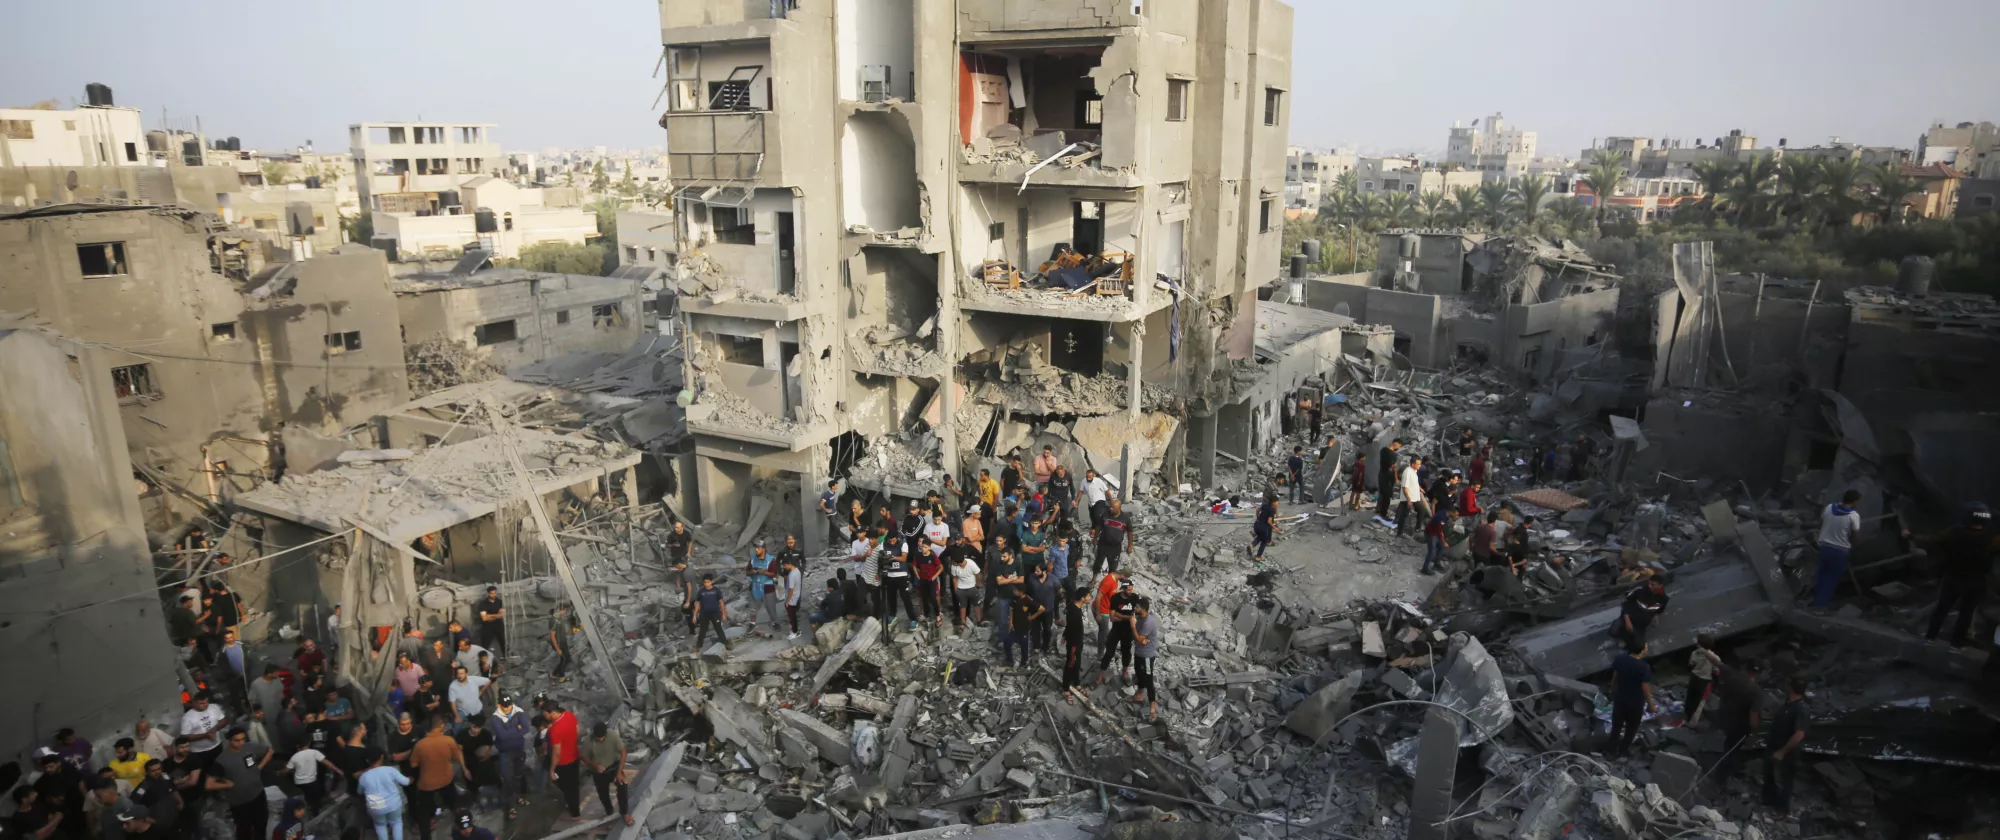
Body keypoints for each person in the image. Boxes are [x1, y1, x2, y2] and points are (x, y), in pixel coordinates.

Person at [1904, 502, 1996, 648]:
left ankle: (1929, 638)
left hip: (1955, 578)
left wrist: (1910, 536)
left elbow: (1930, 540)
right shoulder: (1993, 538)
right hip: (1977, 582)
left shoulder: (1954, 532)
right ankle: (1956, 645)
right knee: (1966, 614)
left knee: (1942, 609)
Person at [205, 728, 270, 840]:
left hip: (258, 794)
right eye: (237, 740)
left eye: (243, 739)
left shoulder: (250, 747)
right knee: (244, 830)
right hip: (240, 802)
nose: (241, 743)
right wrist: (227, 785)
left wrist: (259, 767)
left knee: (261, 823)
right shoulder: (222, 760)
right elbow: (208, 784)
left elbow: (270, 751)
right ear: (229, 740)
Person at [408, 718, 463, 840]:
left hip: (427, 783)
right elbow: (455, 756)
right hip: (446, 779)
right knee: (454, 804)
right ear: (440, 726)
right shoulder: (449, 740)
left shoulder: (420, 745)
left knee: (424, 812)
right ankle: (463, 825)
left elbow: (413, 764)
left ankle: (426, 837)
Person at [1809, 490, 1863, 612]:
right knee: (1831, 578)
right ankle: (1820, 607)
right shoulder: (1853, 516)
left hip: (1823, 547)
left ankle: (1815, 602)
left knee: (1821, 575)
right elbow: (1855, 535)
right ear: (1855, 501)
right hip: (1839, 550)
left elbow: (1820, 525)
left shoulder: (1829, 508)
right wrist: (1854, 544)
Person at [1763, 677, 1810, 817]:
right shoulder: (1788, 704)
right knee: (1769, 773)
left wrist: (1783, 752)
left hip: (1788, 752)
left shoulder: (1801, 709)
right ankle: (1769, 800)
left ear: (1791, 687)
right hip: (1774, 745)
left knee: (1785, 780)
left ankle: (1782, 810)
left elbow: (1799, 734)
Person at [1607, 639, 1656, 757]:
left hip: (1620, 699)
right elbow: (1645, 688)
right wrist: (1651, 704)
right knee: (1631, 728)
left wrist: (1612, 688)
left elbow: (1615, 675)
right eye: (1646, 645)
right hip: (1635, 702)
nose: (1647, 646)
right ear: (1641, 650)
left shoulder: (1621, 658)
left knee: (1616, 726)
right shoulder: (1644, 667)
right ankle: (1624, 750)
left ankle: (1611, 751)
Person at [578, 722, 631, 826]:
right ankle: (609, 811)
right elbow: (583, 756)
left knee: (622, 786)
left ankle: (624, 812)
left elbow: (623, 752)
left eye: (602, 738)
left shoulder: (613, 736)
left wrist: (619, 772)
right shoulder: (588, 741)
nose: (600, 740)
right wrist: (594, 765)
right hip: (598, 771)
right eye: (598, 738)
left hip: (613, 767)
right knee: (603, 793)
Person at [488, 695, 531, 820]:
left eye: (509, 706)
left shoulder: (518, 711)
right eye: (504, 706)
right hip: (505, 753)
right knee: (507, 779)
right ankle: (511, 805)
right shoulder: (495, 718)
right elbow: (502, 736)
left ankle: (518, 797)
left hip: (518, 750)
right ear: (499, 705)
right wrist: (517, 729)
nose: (507, 709)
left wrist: (512, 731)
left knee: (518, 776)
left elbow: (526, 728)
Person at [358, 751, 410, 840]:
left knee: (380, 825)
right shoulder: (390, 770)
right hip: (394, 804)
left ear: (367, 760)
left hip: (376, 806)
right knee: (396, 822)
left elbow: (360, 792)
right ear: (382, 757)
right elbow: (406, 782)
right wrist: (411, 778)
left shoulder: (364, 777)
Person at [158, 738, 204, 839]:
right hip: (176, 801)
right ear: (175, 748)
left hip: (193, 798)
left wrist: (173, 786)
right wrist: (181, 781)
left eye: (187, 746)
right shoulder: (167, 763)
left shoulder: (194, 759)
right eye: (182, 747)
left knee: (196, 823)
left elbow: (192, 782)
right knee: (180, 824)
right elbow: (165, 782)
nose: (185, 749)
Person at [1097, 579, 1138, 684]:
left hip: (1128, 631)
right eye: (1128, 590)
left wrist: (1120, 615)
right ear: (1123, 588)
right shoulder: (1115, 598)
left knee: (1126, 653)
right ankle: (1100, 676)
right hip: (1116, 630)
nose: (1130, 591)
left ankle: (1124, 672)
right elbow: (1112, 618)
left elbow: (1135, 614)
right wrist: (1127, 617)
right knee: (1109, 652)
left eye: (1131, 589)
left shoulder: (1134, 597)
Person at [284, 737, 340, 814]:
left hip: (299, 782)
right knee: (314, 796)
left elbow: (287, 770)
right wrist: (337, 769)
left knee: (307, 794)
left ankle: (307, 805)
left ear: (297, 746)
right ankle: (315, 810)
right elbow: (326, 762)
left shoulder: (294, 757)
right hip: (311, 781)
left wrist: (279, 772)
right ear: (308, 744)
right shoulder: (314, 752)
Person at [545, 700, 581, 819]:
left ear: (552, 713)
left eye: (546, 714)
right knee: (574, 784)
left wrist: (552, 769)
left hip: (564, 763)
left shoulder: (555, 730)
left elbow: (557, 753)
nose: (545, 716)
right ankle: (574, 803)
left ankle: (575, 813)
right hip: (575, 756)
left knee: (567, 787)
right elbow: (578, 731)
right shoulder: (569, 715)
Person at [456, 717, 499, 813]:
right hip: (469, 764)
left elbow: (489, 749)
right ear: (470, 725)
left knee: (489, 783)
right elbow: (459, 752)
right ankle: (476, 802)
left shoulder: (486, 734)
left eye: (479, 728)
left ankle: (491, 802)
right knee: (472, 786)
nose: (476, 730)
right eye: (474, 727)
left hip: (484, 763)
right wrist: (464, 769)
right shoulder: (462, 735)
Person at [1615, 578, 1670, 646]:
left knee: (1638, 639)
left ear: (1660, 586)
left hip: (1644, 619)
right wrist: (1626, 617)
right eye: (1649, 584)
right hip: (1632, 614)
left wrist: (1656, 616)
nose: (1649, 586)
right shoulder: (1640, 591)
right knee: (1624, 629)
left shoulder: (1663, 598)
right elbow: (1626, 602)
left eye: (1652, 585)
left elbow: (1660, 609)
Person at [1130, 597, 1160, 722]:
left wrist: (1133, 626)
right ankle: (1140, 695)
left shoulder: (1148, 622)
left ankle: (1152, 707)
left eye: (1137, 607)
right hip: (1139, 653)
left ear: (1143, 609)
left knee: (1148, 679)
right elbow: (1139, 639)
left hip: (1147, 655)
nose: (1134, 609)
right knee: (1139, 673)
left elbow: (1139, 639)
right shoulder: (1140, 618)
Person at [879, 534, 917, 629]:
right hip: (890, 574)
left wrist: (893, 557)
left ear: (897, 538)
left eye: (893, 540)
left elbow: (903, 558)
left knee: (906, 598)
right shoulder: (883, 544)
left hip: (902, 575)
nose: (892, 542)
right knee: (891, 597)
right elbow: (880, 558)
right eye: (890, 541)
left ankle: (913, 619)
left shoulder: (903, 544)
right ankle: (892, 615)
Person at [745, 541, 783, 637]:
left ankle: (774, 622)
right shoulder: (753, 559)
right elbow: (747, 571)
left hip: (767, 586)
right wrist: (752, 572)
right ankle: (752, 623)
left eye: (758, 548)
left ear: (763, 549)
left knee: (771, 606)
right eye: (755, 548)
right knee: (753, 607)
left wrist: (763, 572)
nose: (756, 550)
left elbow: (774, 574)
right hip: (754, 585)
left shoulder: (771, 560)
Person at [1685, 634, 1723, 728]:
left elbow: (1690, 665)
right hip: (1705, 682)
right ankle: (1692, 723)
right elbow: (1716, 671)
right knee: (1699, 703)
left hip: (1694, 678)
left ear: (1700, 645)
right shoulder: (1715, 658)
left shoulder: (1694, 653)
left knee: (1690, 697)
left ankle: (1687, 715)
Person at [179, 692, 228, 763]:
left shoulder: (214, 707)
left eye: (206, 702)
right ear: (194, 703)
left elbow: (223, 720)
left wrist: (214, 729)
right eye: (202, 703)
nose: (205, 705)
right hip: (199, 752)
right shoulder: (187, 717)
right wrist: (205, 735)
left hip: (217, 746)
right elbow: (184, 737)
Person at [1003, 586, 1041, 668]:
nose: (1014, 591)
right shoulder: (1014, 598)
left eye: (1016, 590)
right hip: (1015, 626)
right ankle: (1010, 660)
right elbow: (1011, 610)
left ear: (1021, 592)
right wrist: (1010, 623)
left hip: (1024, 627)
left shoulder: (1028, 600)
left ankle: (1024, 662)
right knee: (1007, 642)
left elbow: (1041, 609)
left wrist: (1032, 617)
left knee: (1024, 645)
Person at [1095, 499, 1133, 575]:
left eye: (1113, 508)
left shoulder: (1125, 518)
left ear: (1119, 508)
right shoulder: (1105, 514)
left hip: (1115, 547)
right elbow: (1098, 526)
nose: (1110, 509)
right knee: (1098, 563)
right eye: (1110, 507)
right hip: (1103, 543)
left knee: (1113, 566)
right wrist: (1095, 537)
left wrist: (1130, 546)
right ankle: (1094, 579)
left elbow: (1130, 532)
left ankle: (1109, 581)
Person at [949, 543, 984, 629]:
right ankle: (963, 623)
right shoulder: (954, 566)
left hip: (972, 587)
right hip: (961, 589)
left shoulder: (971, 564)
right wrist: (956, 589)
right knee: (962, 606)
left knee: (976, 605)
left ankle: (979, 620)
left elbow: (978, 574)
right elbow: (954, 578)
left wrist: (977, 585)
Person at [447, 666, 490, 732]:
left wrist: (481, 691)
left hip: (477, 709)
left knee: (479, 727)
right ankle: (455, 740)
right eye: (458, 674)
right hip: (463, 711)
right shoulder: (453, 687)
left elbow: (488, 681)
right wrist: (457, 715)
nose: (459, 675)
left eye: (461, 673)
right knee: (457, 728)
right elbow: (452, 703)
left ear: (466, 674)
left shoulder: (474, 679)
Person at [693, 575, 728, 651]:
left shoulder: (716, 590)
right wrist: (694, 615)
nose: (706, 584)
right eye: (705, 582)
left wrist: (724, 614)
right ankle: (698, 646)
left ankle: (725, 644)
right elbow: (698, 604)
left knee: (719, 629)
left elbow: (721, 602)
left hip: (715, 613)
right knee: (702, 631)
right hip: (704, 614)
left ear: (711, 582)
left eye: (708, 582)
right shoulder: (701, 591)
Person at [1394, 456, 1427, 537]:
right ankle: (1400, 533)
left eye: (1420, 464)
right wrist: (1408, 500)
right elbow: (1405, 487)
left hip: (1414, 497)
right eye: (1418, 464)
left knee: (1422, 510)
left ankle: (1418, 527)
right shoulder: (1407, 472)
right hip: (1408, 497)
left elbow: (1414, 482)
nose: (1420, 466)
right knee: (1404, 515)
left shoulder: (1414, 471)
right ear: (1412, 464)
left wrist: (1420, 488)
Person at [1374, 439, 1403, 523]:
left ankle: (1378, 510)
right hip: (1388, 476)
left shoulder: (1383, 450)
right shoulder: (1393, 454)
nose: (1398, 448)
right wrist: (1396, 478)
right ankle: (1383, 514)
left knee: (1382, 494)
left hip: (1381, 474)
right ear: (1396, 444)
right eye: (1399, 446)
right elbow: (1393, 467)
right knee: (1387, 497)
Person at [548, 605, 579, 684]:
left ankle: (553, 674)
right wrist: (557, 648)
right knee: (564, 660)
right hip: (559, 644)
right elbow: (552, 636)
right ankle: (562, 678)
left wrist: (577, 629)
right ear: (560, 610)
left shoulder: (559, 618)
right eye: (564, 610)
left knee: (567, 659)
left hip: (563, 642)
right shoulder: (554, 620)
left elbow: (565, 631)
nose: (565, 612)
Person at [1420, 503, 1450, 576]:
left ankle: (1436, 563)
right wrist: (1444, 541)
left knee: (1441, 547)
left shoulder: (1444, 514)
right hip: (1431, 533)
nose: (1456, 517)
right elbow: (1439, 531)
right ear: (1452, 512)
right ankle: (1425, 568)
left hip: (1435, 533)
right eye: (1456, 515)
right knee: (1432, 551)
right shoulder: (1440, 517)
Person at [475, 586, 506, 654]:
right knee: (485, 644)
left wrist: (489, 615)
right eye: (492, 593)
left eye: (495, 593)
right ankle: (483, 658)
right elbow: (484, 618)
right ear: (488, 593)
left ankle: (505, 656)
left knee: (503, 642)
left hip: (499, 625)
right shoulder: (483, 603)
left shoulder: (499, 602)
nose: (493, 595)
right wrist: (496, 615)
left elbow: (501, 615)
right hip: (488, 627)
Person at [781, 554, 805, 639]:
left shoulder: (791, 575)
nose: (784, 567)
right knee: (793, 615)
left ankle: (795, 632)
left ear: (790, 564)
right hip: (796, 596)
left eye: (785, 565)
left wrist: (787, 601)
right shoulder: (797, 571)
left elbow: (791, 590)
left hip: (792, 598)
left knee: (792, 616)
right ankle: (795, 629)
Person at [1251, 492, 1278, 561]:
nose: (1277, 503)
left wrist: (1257, 518)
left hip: (1257, 524)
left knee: (1260, 537)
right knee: (1264, 541)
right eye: (1276, 502)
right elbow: (1269, 522)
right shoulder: (1271, 510)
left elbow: (1257, 510)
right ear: (1274, 502)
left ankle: (1251, 545)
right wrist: (1275, 528)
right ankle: (1258, 556)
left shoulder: (1265, 505)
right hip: (1263, 528)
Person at [819, 479, 843, 544]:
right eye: (836, 485)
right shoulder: (827, 494)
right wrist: (826, 510)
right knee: (837, 527)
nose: (837, 486)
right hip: (830, 515)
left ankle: (831, 542)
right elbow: (821, 504)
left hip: (835, 513)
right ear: (832, 487)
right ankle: (835, 540)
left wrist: (835, 507)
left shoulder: (834, 492)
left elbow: (834, 501)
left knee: (832, 528)